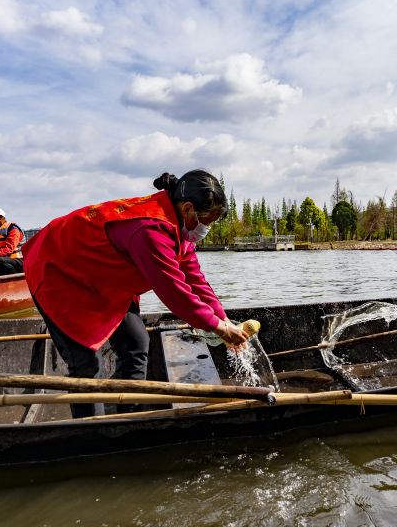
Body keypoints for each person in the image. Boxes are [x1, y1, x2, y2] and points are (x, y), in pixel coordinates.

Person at [22, 169, 251, 417]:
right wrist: (219, 328)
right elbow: (174, 292)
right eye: (207, 220)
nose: (206, 228)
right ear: (187, 209)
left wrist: (223, 318)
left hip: (104, 277)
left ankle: (127, 415)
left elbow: (196, 280)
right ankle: (92, 430)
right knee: (86, 363)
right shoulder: (150, 229)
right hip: (58, 270)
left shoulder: (180, 230)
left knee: (136, 343)